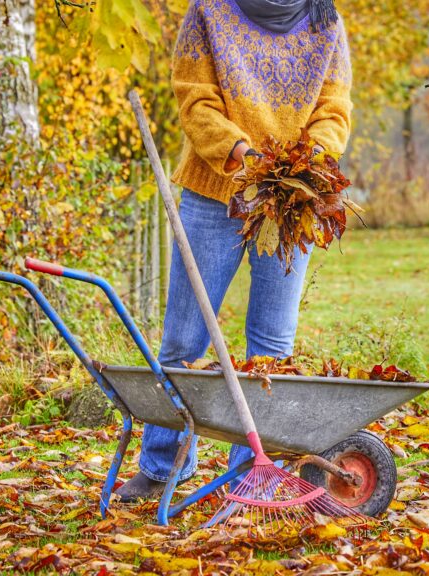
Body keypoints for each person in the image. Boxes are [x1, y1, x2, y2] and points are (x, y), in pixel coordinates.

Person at [116, 0, 353, 501]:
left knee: (271, 349)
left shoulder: (324, 19)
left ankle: (253, 477)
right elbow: (195, 99)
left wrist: (304, 166)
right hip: (213, 193)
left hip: (290, 201)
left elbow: (335, 109)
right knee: (184, 341)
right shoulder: (208, 11)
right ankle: (163, 466)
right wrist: (247, 158)